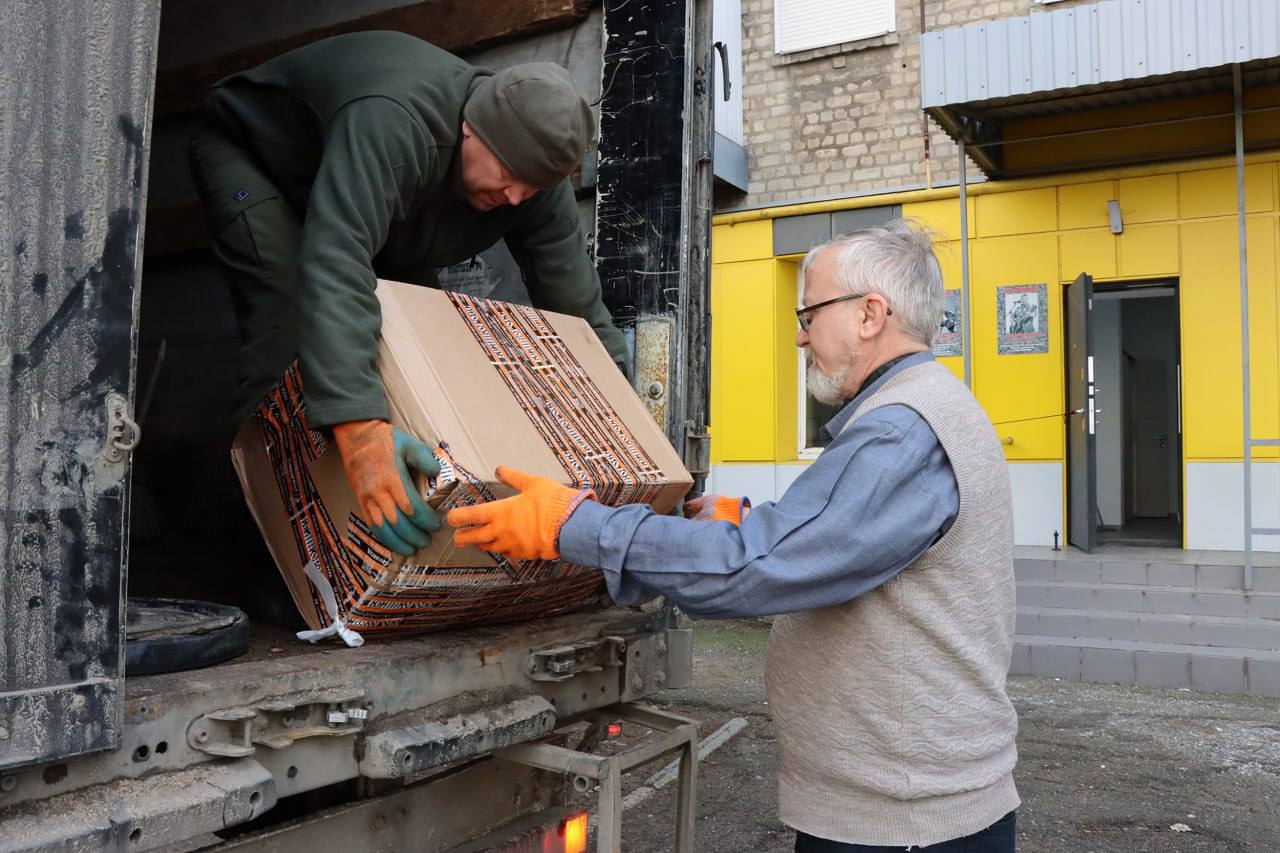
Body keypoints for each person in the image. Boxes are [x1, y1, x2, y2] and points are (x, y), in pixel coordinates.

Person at [447, 220, 1020, 852]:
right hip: (901, 807)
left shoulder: (900, 433)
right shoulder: (917, 411)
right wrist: (744, 523)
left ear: (869, 315)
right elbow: (827, 542)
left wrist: (571, 524)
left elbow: (748, 571)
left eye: (808, 313)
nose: (801, 335)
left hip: (907, 823)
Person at [189, 30, 628, 556]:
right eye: (510, 175)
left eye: (533, 187)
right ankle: (269, 557)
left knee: (420, 352)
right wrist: (360, 434)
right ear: (471, 128)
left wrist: (631, 441)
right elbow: (336, 258)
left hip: (373, 197)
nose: (517, 197)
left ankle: (383, 547)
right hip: (258, 160)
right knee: (291, 337)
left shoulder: (532, 181)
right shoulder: (395, 120)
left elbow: (579, 312)